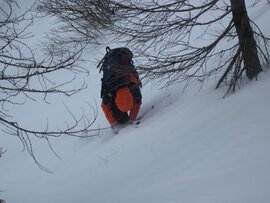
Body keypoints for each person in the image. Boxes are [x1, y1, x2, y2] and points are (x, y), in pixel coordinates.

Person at [99, 47, 142, 129]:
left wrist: (132, 119)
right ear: (115, 101)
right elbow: (105, 106)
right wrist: (113, 123)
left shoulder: (133, 85)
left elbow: (137, 102)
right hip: (113, 88)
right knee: (122, 121)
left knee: (125, 120)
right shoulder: (109, 92)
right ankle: (120, 114)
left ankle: (124, 114)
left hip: (127, 82)